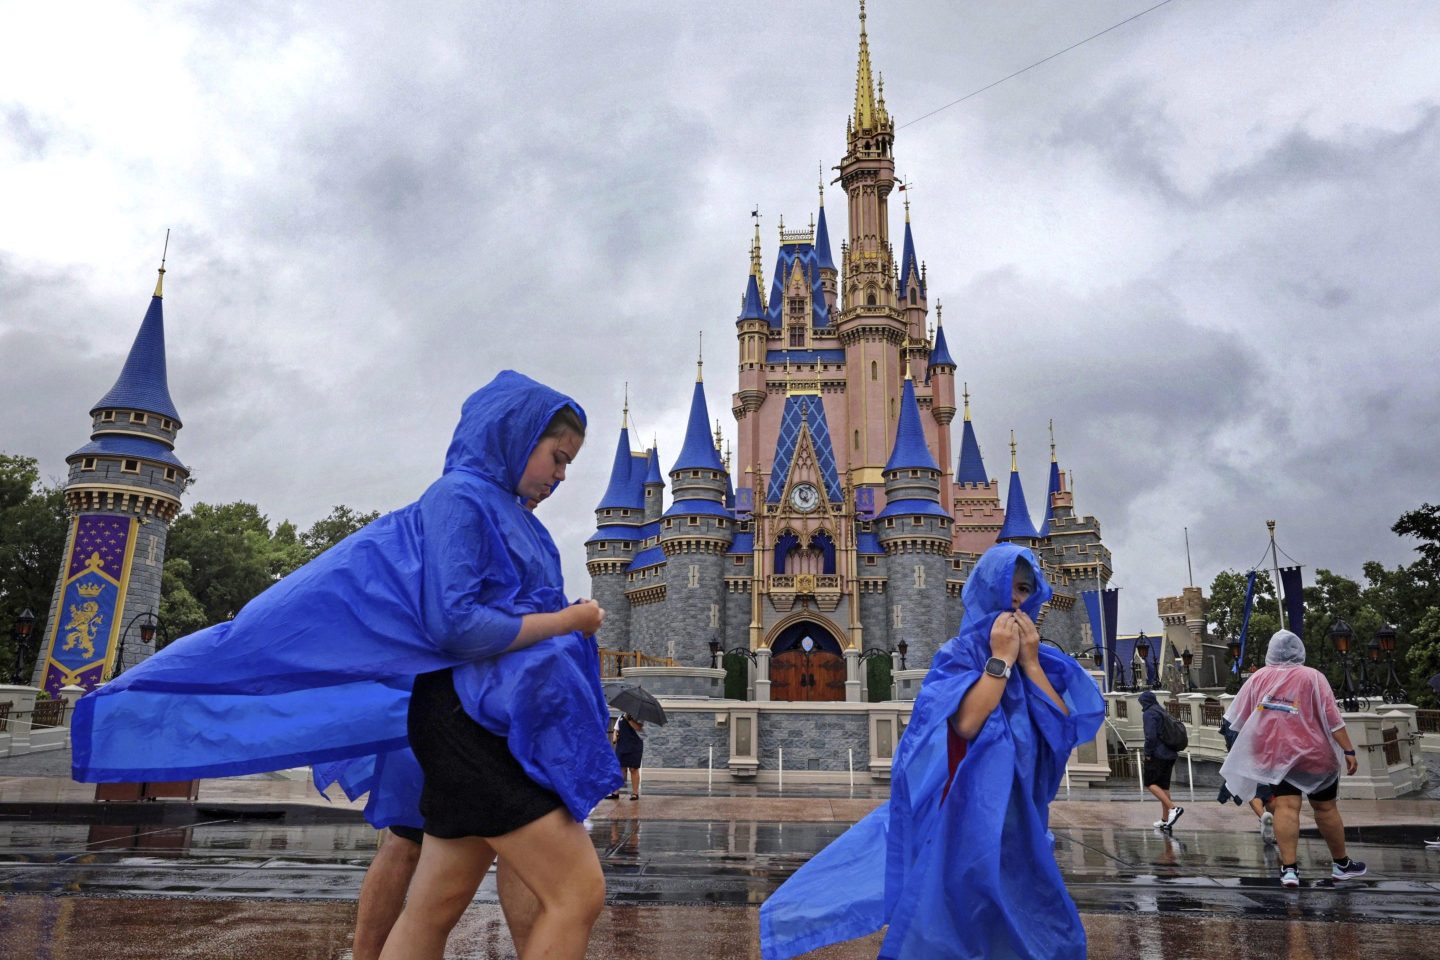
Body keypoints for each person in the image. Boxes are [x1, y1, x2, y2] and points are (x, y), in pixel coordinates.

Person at [71, 370, 622, 958]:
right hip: (473, 723)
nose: (561, 477)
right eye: (557, 457)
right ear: (515, 434)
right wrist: (571, 622)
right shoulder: (460, 497)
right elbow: (456, 627)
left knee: (436, 905)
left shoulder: (512, 514)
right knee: (577, 893)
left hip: (491, 720)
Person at [759, 543, 1105, 960]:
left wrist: (1030, 663)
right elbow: (967, 722)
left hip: (1021, 812)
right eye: (1010, 586)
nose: (1017, 598)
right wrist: (1001, 660)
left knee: (1041, 917)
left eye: (1026, 589)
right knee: (962, 914)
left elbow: (1061, 727)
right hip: (968, 810)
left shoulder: (1043, 660)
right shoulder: (958, 655)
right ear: (986, 586)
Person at [1219, 629, 1366, 889]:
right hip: (1314, 755)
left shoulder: (1257, 678)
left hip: (1275, 756)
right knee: (1326, 807)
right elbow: (1332, 718)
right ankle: (1341, 863)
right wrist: (1348, 750)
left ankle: (1289, 870)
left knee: (1286, 807)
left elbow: (1239, 718)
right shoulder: (1313, 677)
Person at [1139, 690, 1183, 830]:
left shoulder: (1149, 714)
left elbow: (1150, 736)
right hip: (1170, 754)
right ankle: (1165, 820)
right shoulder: (1162, 711)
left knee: (1150, 783)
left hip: (1158, 754)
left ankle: (1172, 808)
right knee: (1164, 787)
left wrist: (1147, 753)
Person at [608, 714, 644, 800]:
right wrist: (614, 737)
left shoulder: (639, 717)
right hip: (622, 745)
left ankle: (635, 793)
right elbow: (616, 729)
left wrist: (629, 719)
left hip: (635, 745)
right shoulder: (620, 717)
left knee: (633, 769)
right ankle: (615, 792)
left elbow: (638, 728)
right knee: (620, 768)